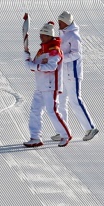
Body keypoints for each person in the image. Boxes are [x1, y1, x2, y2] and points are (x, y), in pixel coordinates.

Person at [51, 11, 99, 142]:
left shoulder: (74, 36)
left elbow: (76, 54)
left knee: (75, 100)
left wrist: (61, 58)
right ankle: (63, 131)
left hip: (73, 74)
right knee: (60, 102)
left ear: (67, 22)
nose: (59, 24)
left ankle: (90, 128)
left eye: (61, 22)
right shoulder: (62, 33)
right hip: (63, 74)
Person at [23, 20, 71, 148]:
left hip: (51, 86)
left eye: (43, 35)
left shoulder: (54, 50)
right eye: (40, 34)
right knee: (35, 111)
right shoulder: (41, 50)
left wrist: (34, 65)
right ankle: (35, 137)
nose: (40, 37)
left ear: (49, 35)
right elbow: (34, 66)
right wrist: (27, 58)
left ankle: (65, 135)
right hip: (40, 86)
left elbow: (50, 67)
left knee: (52, 111)